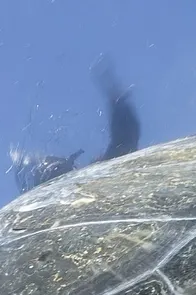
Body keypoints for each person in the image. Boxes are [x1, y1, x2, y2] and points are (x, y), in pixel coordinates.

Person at [12, 57, 142, 194]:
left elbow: (125, 143)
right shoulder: (93, 179)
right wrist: (118, 103)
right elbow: (126, 142)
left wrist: (118, 104)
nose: (58, 169)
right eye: (55, 170)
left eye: (57, 168)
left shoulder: (95, 177)